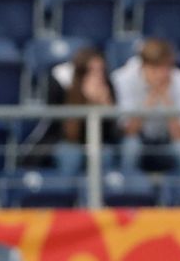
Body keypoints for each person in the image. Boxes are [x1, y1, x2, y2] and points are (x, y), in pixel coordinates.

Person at [19, 46, 119, 177]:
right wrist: (87, 102)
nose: (98, 76)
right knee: (70, 154)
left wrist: (106, 107)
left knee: (104, 154)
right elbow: (68, 133)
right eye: (91, 71)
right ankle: (66, 188)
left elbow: (111, 134)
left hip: (97, 142)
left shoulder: (107, 86)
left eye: (101, 70)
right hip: (64, 141)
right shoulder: (64, 86)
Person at [111, 38, 180, 175]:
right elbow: (129, 131)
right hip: (138, 137)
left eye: (166, 68)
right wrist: (149, 100)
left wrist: (166, 100)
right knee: (131, 146)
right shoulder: (123, 79)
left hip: (168, 139)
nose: (161, 75)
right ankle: (127, 184)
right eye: (155, 68)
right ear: (143, 65)